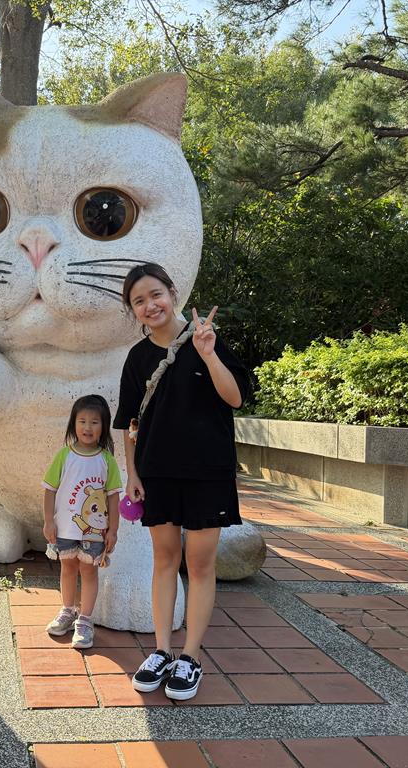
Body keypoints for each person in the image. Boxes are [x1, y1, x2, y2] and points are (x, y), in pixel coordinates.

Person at [114, 263, 252, 700]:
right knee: (164, 559)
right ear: (133, 310)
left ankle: (190, 657)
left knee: (201, 563)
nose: (149, 305)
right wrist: (132, 474)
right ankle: (161, 651)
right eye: (138, 301)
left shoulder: (205, 339)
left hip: (208, 472)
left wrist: (208, 354)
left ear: (172, 293)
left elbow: (235, 397)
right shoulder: (137, 358)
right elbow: (128, 423)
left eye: (155, 294)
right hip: (157, 472)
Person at [42, 394, 122, 649]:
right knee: (67, 568)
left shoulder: (107, 460)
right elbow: (49, 490)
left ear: (104, 426)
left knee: (88, 571)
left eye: (94, 422)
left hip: (95, 532)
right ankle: (67, 610)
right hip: (65, 528)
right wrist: (48, 521)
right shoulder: (64, 456)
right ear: (73, 424)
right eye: (82, 421)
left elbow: (113, 498)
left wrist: (113, 530)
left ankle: (85, 620)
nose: (88, 427)